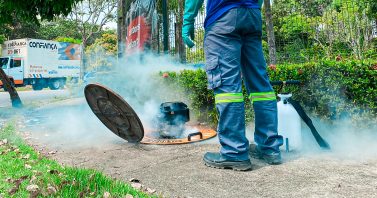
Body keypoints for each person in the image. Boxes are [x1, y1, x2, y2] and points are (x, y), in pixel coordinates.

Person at [182, 0, 283, 171]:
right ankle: (269, 147)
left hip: (223, 16)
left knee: (227, 88)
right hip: (252, 15)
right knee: (261, 87)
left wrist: (188, 21)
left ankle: (233, 151)